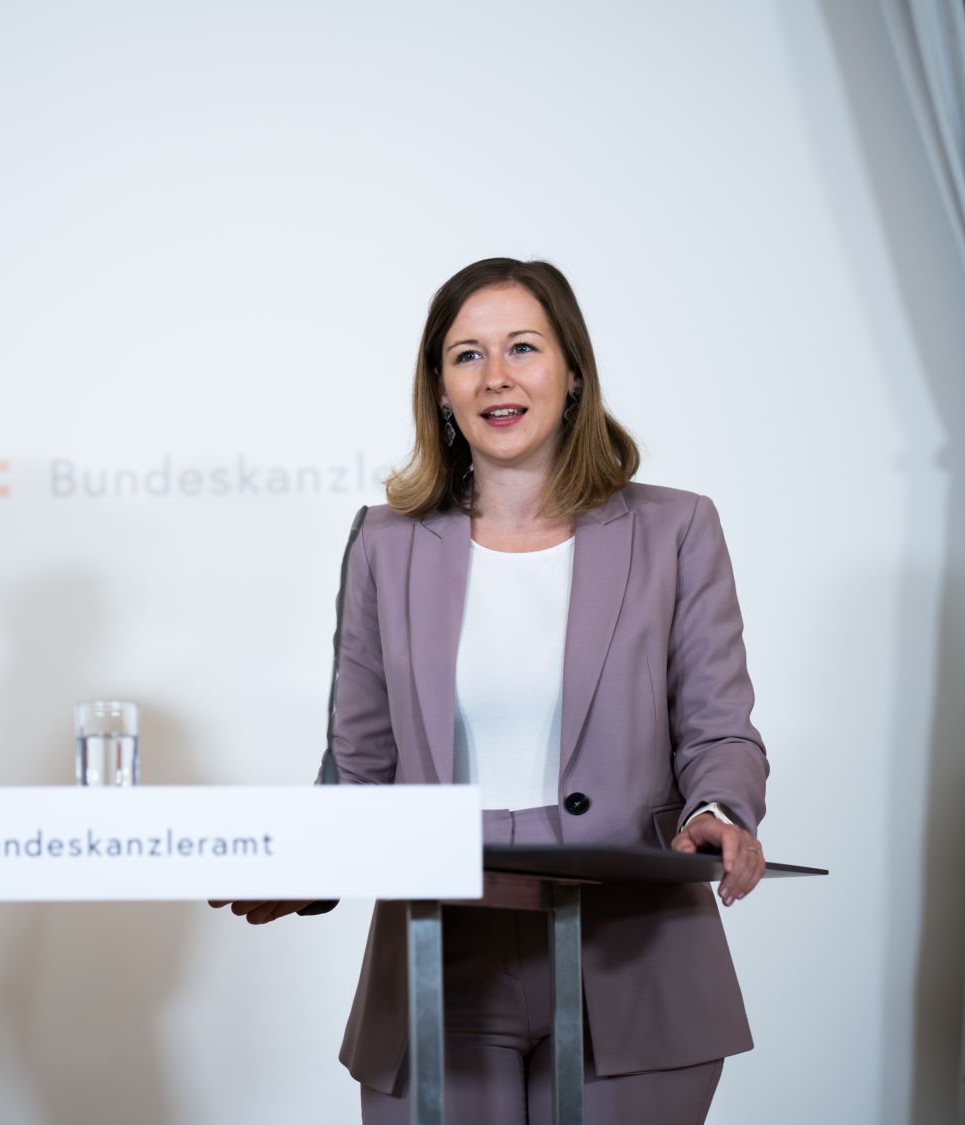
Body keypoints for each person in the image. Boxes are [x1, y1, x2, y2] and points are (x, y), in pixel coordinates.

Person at [215, 258, 768, 1123]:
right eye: (467, 354)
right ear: (439, 386)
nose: (497, 376)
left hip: (632, 950)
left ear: (573, 370)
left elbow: (718, 729)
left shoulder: (676, 527)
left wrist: (721, 812)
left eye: (523, 347)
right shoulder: (384, 544)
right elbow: (357, 763)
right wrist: (305, 862)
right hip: (442, 942)